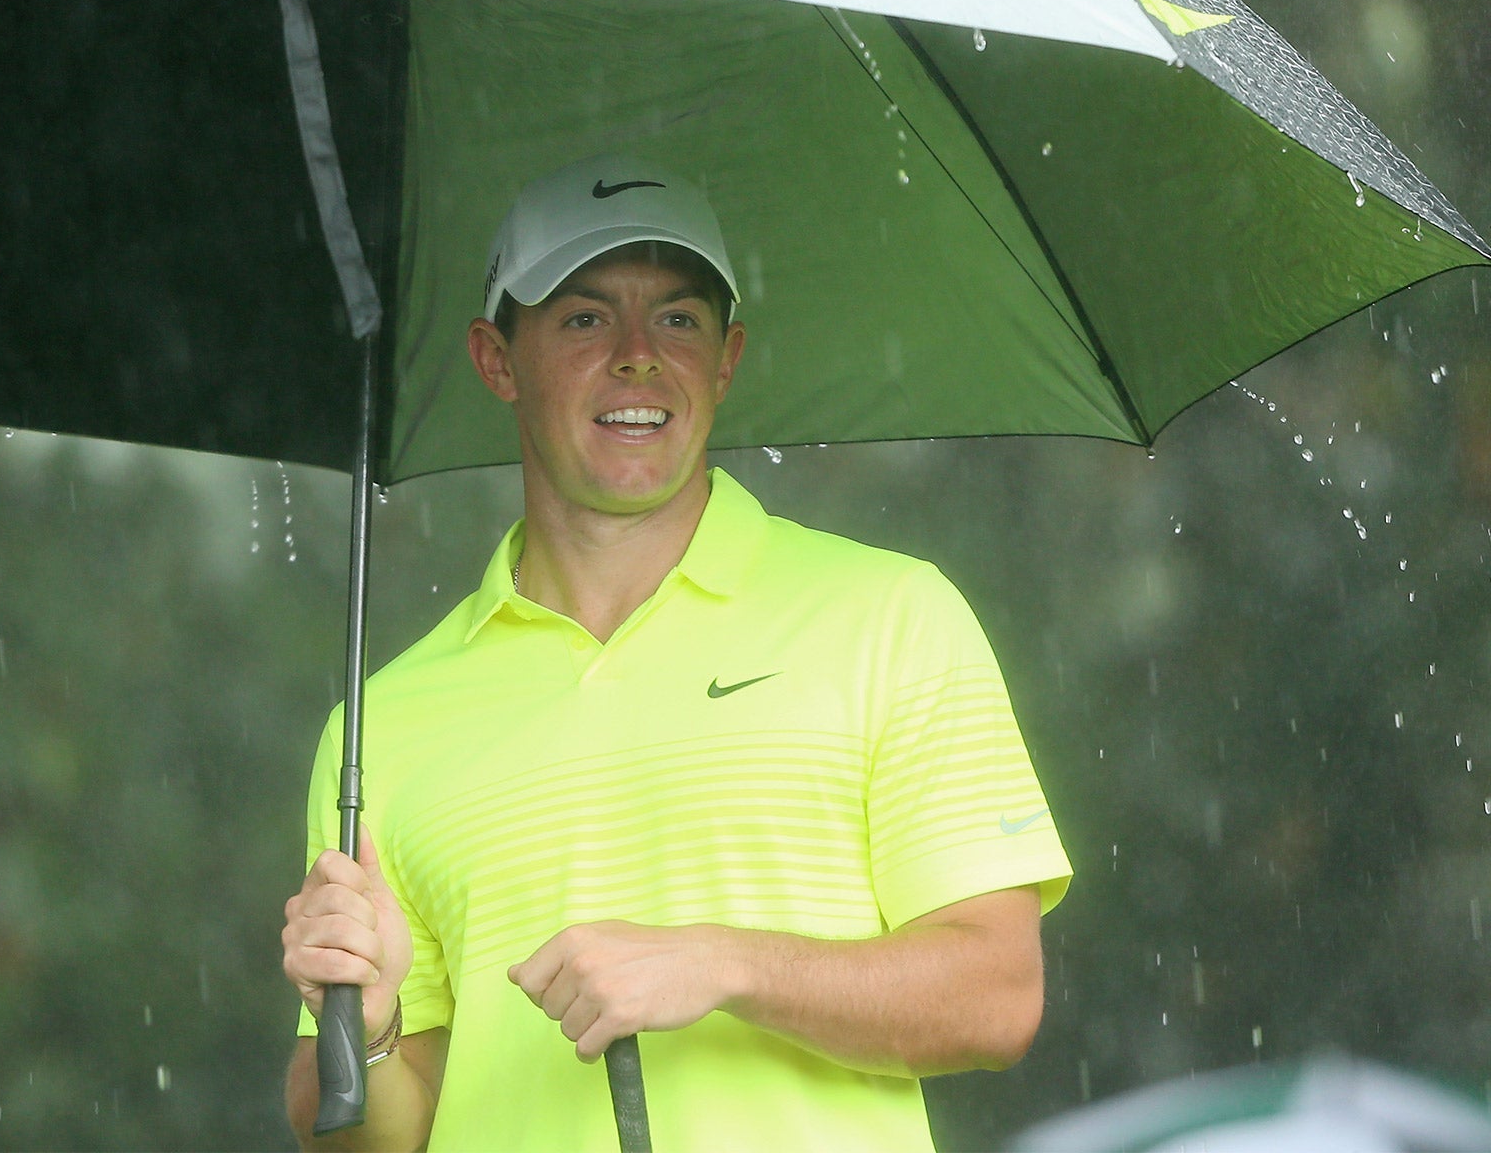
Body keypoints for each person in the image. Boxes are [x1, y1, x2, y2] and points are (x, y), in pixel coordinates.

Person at [281, 153, 1073, 1152]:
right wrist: (379, 1024)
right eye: (582, 318)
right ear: (495, 358)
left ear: (726, 358)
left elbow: (994, 997)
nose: (637, 356)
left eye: (678, 318)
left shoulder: (890, 615)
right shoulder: (377, 724)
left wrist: (722, 966)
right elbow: (357, 1136)